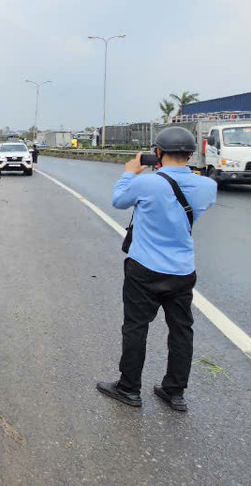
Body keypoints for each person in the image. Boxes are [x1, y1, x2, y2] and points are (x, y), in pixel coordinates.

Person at [97, 126, 217, 413]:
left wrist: (129, 172)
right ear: (190, 154)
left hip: (144, 267)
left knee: (136, 327)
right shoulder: (207, 186)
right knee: (181, 330)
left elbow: (118, 200)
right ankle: (174, 392)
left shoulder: (147, 182)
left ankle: (129, 388)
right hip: (183, 269)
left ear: (157, 153)